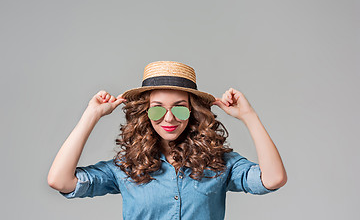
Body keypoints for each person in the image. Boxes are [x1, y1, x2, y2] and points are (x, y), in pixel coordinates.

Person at [47, 61, 287, 220]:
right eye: (157, 109)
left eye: (180, 109)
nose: (169, 118)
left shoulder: (219, 163)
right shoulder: (126, 168)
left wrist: (249, 117)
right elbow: (60, 181)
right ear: (145, 113)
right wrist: (91, 115)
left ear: (193, 112)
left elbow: (273, 179)